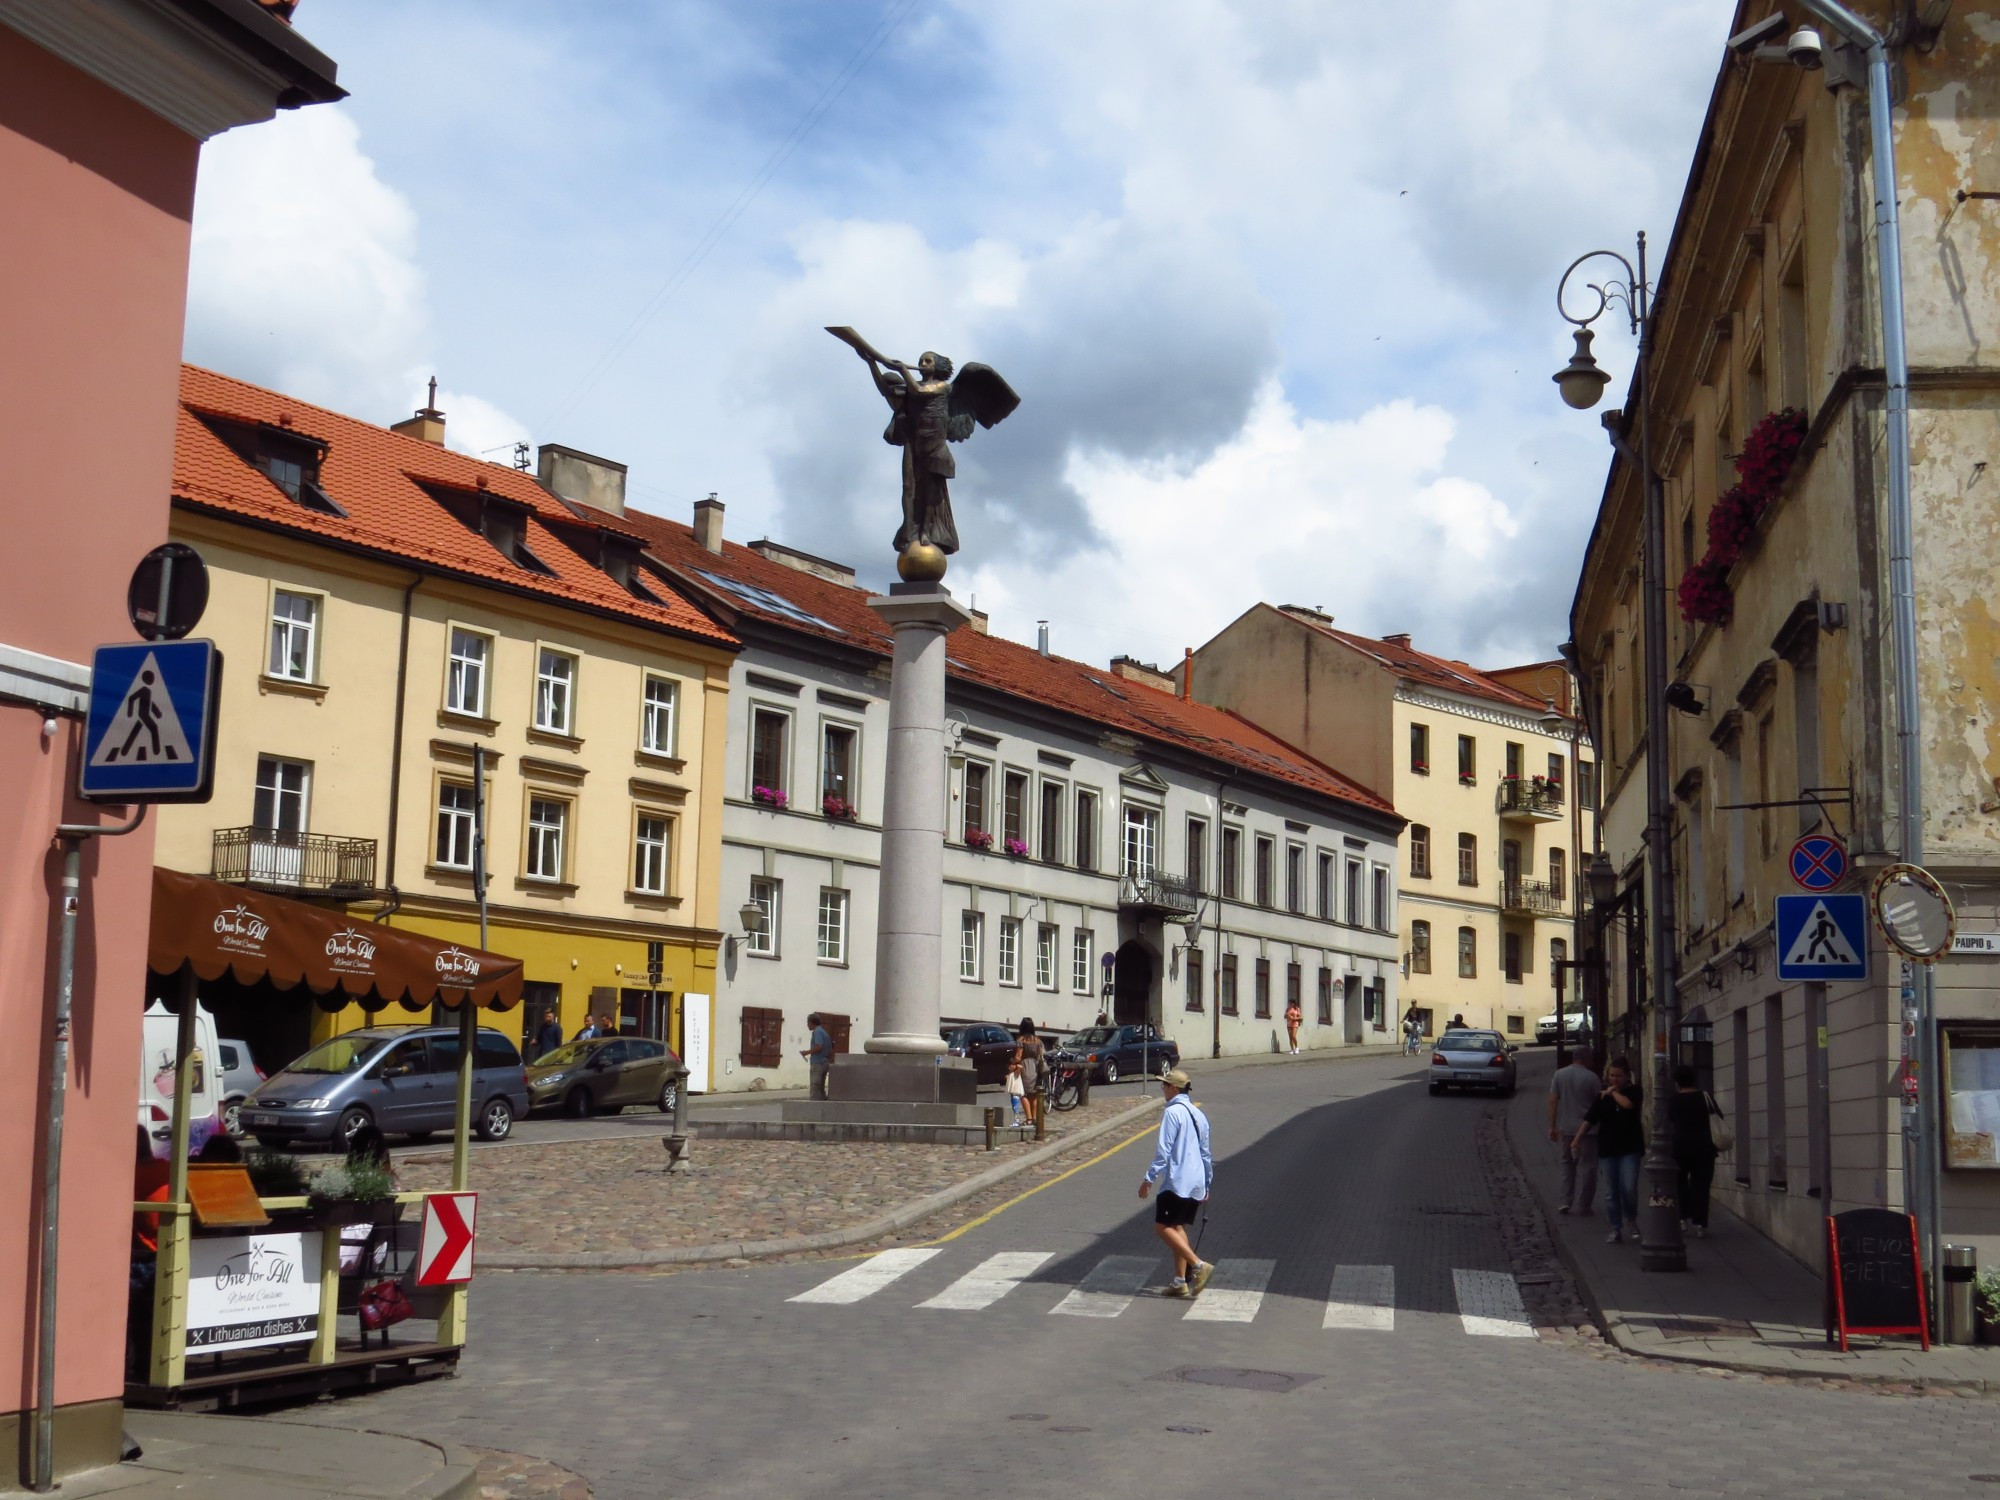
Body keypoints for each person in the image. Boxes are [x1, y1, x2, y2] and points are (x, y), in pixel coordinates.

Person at [1140, 1068, 1213, 1298]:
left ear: (1174, 1088)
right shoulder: (1198, 1114)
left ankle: (1198, 1265)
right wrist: (1207, 1183)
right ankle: (1180, 1282)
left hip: (1178, 1180)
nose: (1162, 1088)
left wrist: (1149, 1178)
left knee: (1162, 1227)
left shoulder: (1172, 1113)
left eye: (1164, 1085)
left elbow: (1164, 1150)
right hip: (1196, 1180)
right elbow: (1206, 1153)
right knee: (1177, 1227)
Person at [1576, 1056, 1644, 1244]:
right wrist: (1577, 1139)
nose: (1614, 1079)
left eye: (1618, 1076)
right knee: (1611, 1191)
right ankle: (1616, 1228)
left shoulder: (1634, 1091)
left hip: (1630, 1148)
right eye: (1611, 1075)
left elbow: (1628, 1105)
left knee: (1629, 1187)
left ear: (1626, 1076)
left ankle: (1631, 1219)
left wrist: (1612, 1092)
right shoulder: (1601, 1098)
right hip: (1608, 1149)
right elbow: (1590, 1119)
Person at [1546, 1047, 1602, 1216]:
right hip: (1588, 1130)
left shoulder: (1559, 1075)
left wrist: (1552, 1125)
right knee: (1588, 1166)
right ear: (1586, 1059)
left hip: (1567, 1127)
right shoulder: (1592, 1078)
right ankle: (1584, 1204)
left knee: (1567, 1164)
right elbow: (1598, 1105)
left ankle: (1565, 1201)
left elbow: (1553, 1101)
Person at [1667, 1063, 1719, 1238]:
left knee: (1680, 1183)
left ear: (1677, 1082)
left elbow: (1670, 1121)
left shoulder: (1673, 1100)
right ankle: (1700, 1224)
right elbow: (1718, 1116)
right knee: (1701, 1186)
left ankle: (1682, 1219)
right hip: (1704, 1147)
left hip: (1681, 1147)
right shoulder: (1704, 1097)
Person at [1014, 1019, 1046, 1130]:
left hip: (1025, 1067)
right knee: (1034, 1095)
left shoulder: (1021, 1040)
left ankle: (1028, 1119)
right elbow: (1042, 1054)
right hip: (1036, 1067)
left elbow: (1018, 1056)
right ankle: (1034, 1118)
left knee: (1023, 1094)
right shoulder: (1038, 1040)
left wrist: (1013, 1062)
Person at [802, 1013, 834, 1101]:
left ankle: (814, 1107)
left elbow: (819, 1046)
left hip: (818, 1062)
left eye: (808, 1023)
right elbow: (830, 1049)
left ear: (812, 1022)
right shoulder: (824, 1032)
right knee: (821, 1087)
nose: (807, 1025)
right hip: (825, 1062)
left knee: (815, 1087)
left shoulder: (817, 1032)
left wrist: (806, 1052)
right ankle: (822, 1105)